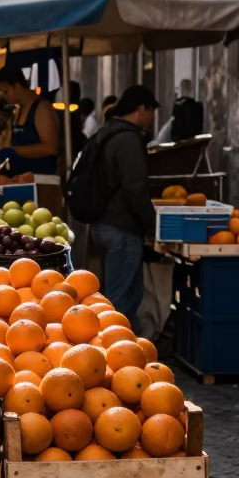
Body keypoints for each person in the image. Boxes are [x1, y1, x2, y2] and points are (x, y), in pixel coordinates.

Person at [90, 85, 159, 329]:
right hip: (122, 228)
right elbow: (135, 188)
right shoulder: (129, 140)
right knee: (121, 300)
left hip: (103, 225)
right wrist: (153, 225)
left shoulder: (107, 132)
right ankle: (116, 354)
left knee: (116, 295)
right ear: (141, 109)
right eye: (152, 112)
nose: (152, 119)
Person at [0, 63, 60, 175]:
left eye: (6, 92)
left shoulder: (41, 108)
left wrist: (15, 151)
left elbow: (51, 148)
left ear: (17, 85)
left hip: (41, 181)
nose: (4, 97)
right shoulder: (20, 108)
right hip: (22, 179)